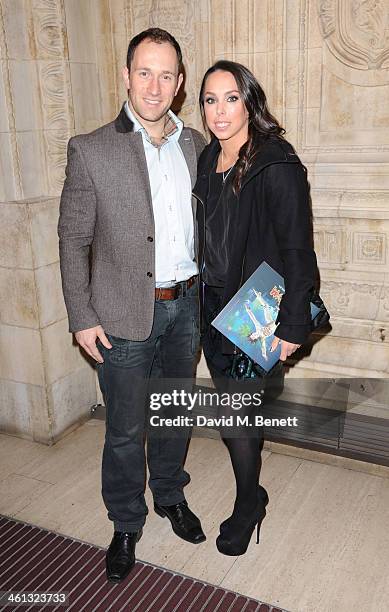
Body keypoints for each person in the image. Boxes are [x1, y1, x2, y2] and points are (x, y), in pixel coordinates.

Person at [58, 28, 207, 583]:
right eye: (144, 71)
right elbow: (72, 238)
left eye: (166, 74)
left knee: (174, 413)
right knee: (124, 429)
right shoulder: (91, 148)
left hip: (185, 308)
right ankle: (125, 522)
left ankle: (169, 494)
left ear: (180, 82)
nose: (155, 85)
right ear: (125, 76)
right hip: (121, 315)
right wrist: (81, 315)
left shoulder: (195, 144)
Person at [193, 60, 318, 556]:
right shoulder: (207, 160)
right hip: (214, 311)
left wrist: (292, 325)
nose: (219, 111)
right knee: (232, 419)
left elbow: (298, 251)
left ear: (249, 102)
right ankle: (253, 494)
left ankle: (249, 505)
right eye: (209, 99)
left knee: (239, 420)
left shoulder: (275, 162)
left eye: (230, 98)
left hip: (257, 315)